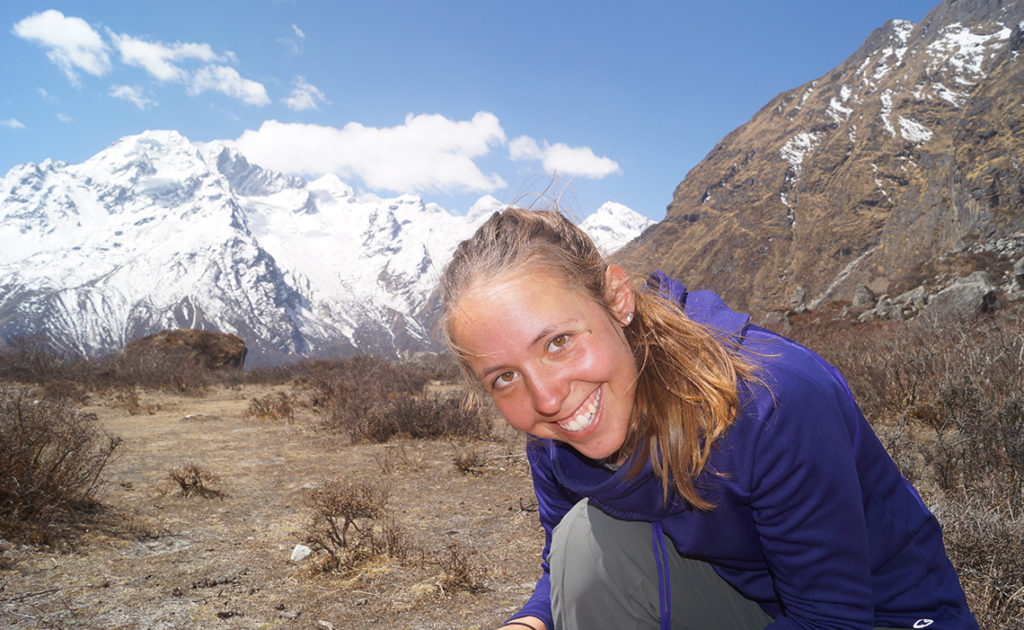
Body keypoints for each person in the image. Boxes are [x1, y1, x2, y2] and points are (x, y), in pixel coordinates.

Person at [439, 207, 978, 630]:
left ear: (617, 300)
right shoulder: (557, 429)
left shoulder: (772, 400)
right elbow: (564, 565)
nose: (547, 397)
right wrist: (529, 622)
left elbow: (833, 619)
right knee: (583, 542)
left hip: (883, 616)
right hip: (750, 601)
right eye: (504, 377)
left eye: (558, 342)